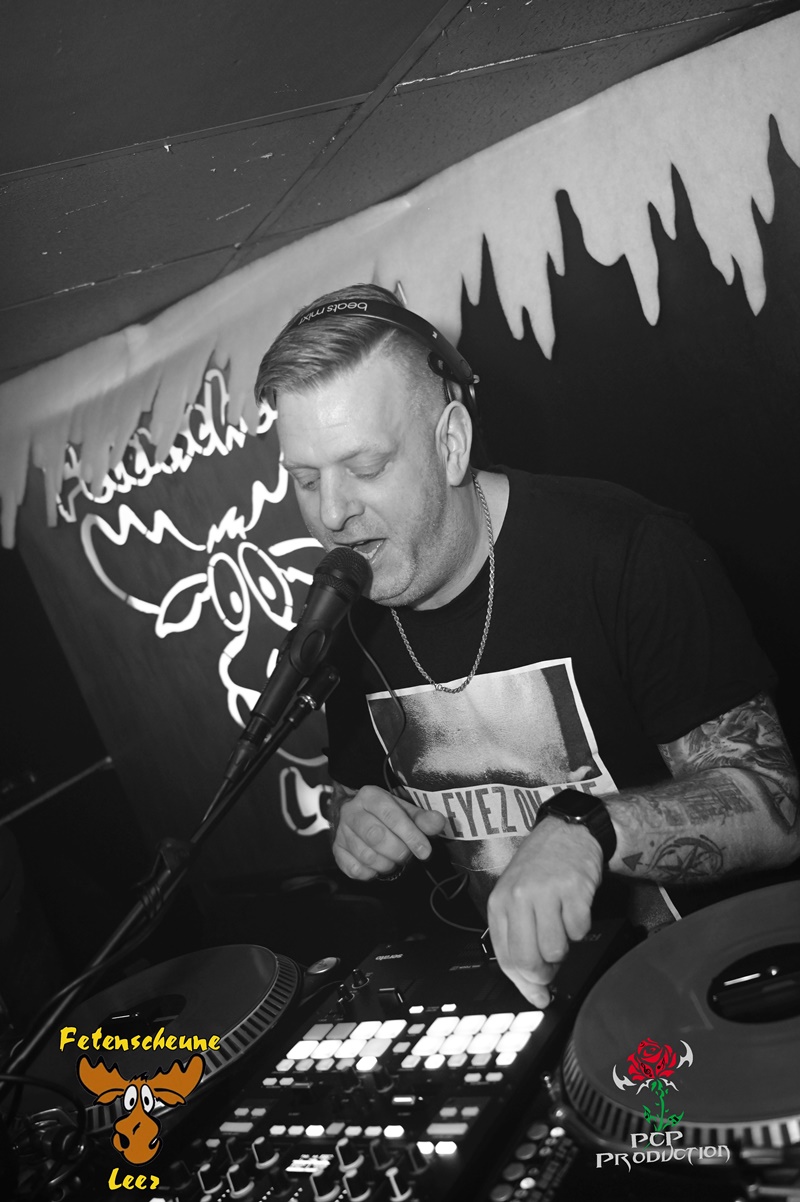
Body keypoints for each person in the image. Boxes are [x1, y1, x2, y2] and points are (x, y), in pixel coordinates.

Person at [254, 283, 799, 1008]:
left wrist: (590, 830)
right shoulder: (345, 611)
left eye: (366, 468)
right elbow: (359, 789)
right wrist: (358, 823)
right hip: (509, 1010)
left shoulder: (626, 553)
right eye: (305, 479)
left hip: (698, 998)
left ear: (451, 443)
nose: (332, 514)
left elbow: (772, 806)